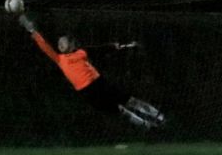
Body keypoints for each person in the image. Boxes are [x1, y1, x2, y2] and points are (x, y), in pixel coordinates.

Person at [16, 13, 165, 129]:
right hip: (86, 92)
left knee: (129, 101)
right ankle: (147, 126)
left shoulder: (81, 52)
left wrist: (114, 46)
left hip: (99, 83)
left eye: (63, 41)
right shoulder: (60, 59)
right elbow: (44, 46)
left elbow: (99, 49)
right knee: (118, 110)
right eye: (59, 42)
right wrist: (32, 30)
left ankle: (159, 117)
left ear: (71, 44)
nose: (59, 44)